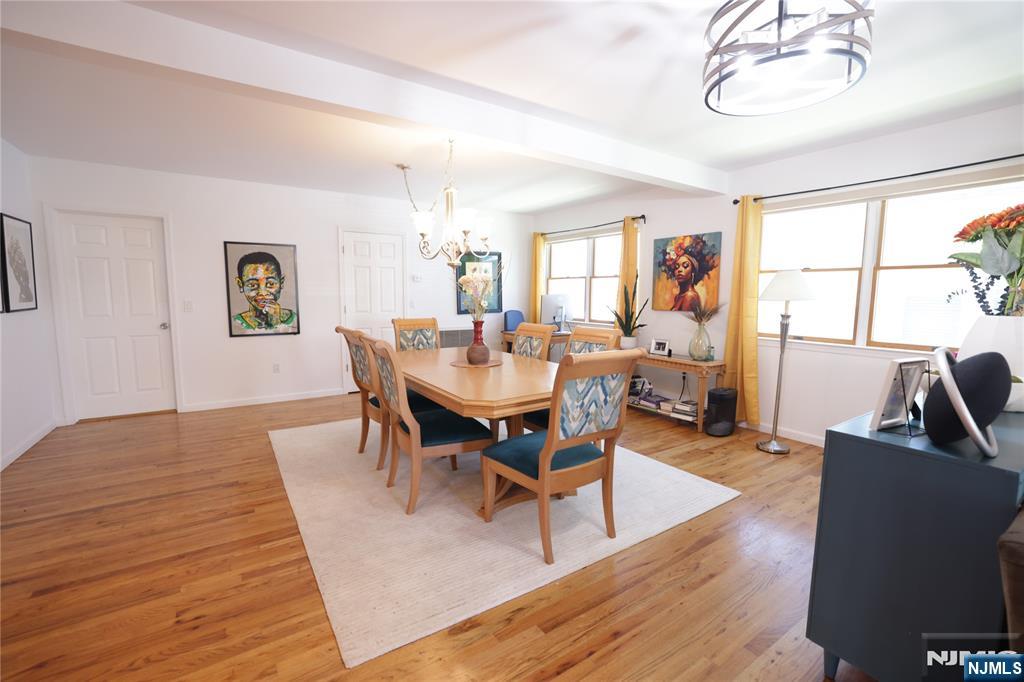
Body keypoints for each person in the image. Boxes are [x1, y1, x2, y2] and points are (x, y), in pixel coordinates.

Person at [232, 251, 297, 333]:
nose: (262, 293)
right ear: (240, 285)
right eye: (252, 285)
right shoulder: (236, 324)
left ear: (281, 282)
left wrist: (276, 322)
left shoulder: (295, 320)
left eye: (271, 284)